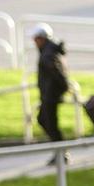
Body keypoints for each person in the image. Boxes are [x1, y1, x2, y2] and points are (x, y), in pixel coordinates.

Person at [30, 23, 70, 160]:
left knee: (50, 123)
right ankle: (60, 151)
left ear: (42, 38)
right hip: (49, 94)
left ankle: (62, 153)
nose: (34, 42)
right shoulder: (49, 50)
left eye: (36, 39)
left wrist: (62, 87)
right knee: (44, 120)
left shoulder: (48, 54)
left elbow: (57, 73)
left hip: (50, 95)